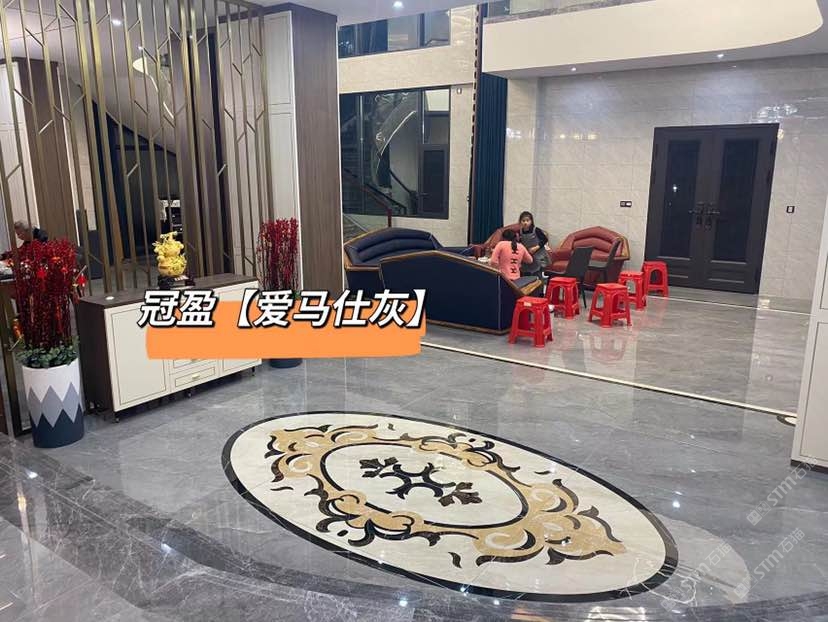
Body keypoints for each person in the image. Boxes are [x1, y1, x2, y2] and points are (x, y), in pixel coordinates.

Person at [517, 211, 550, 278]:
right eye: (523, 221)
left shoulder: (536, 230)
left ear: (531, 221)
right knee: (526, 273)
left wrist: (536, 247)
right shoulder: (520, 232)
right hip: (528, 255)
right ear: (520, 222)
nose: (525, 222)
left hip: (538, 254)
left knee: (538, 274)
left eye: (527, 220)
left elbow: (545, 240)